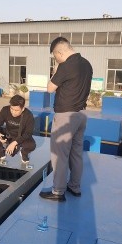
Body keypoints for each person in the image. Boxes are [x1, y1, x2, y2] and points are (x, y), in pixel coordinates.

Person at [39, 37, 93, 202]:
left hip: (65, 116)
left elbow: (50, 89)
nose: (56, 60)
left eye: (55, 57)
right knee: (76, 153)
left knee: (60, 154)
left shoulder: (66, 65)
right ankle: (74, 187)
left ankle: (58, 191)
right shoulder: (87, 64)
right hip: (81, 114)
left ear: (60, 52)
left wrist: (56, 70)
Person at [0, 94, 36, 164]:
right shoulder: (5, 110)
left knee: (32, 145)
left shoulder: (28, 115)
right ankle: (1, 152)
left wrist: (14, 143)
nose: (13, 112)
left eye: (16, 110)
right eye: (11, 109)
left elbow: (28, 133)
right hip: (8, 134)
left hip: (21, 136)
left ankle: (24, 153)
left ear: (23, 109)